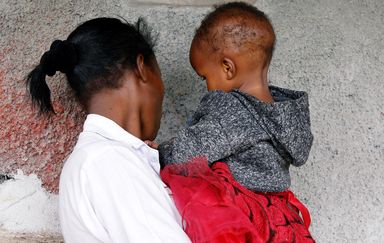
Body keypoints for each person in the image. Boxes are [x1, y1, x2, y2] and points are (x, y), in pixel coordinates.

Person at [149, 2, 315, 242]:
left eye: (204, 77)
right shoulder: (285, 116)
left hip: (244, 218)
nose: (206, 85)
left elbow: (193, 149)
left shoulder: (233, 110)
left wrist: (159, 153)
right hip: (282, 220)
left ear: (227, 68)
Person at [27, 17, 191, 243]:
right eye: (160, 76)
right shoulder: (110, 160)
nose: (162, 91)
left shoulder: (104, 158)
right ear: (142, 68)